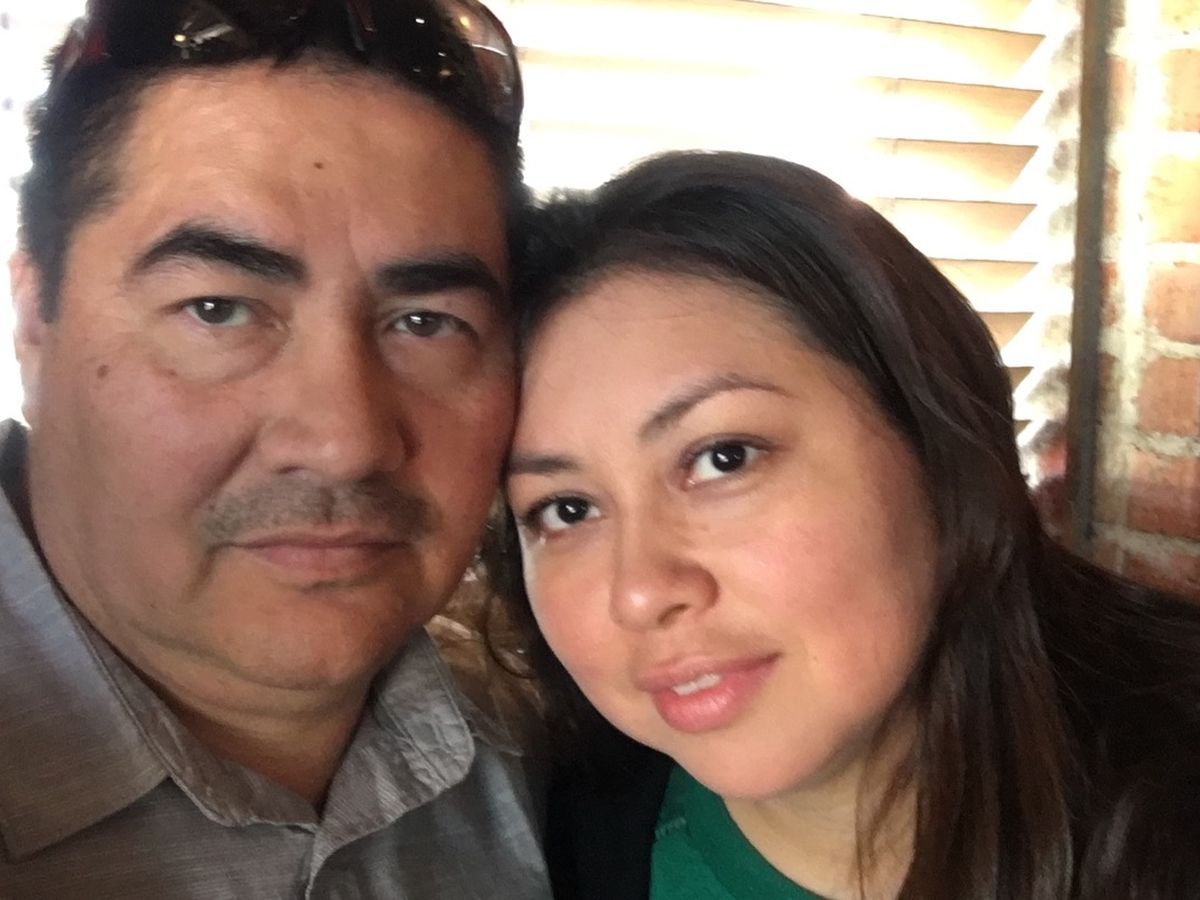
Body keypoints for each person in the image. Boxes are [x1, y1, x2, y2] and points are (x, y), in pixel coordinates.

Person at [498, 150, 1200, 899]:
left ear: (936, 449)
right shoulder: (554, 840)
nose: (640, 592)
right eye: (566, 509)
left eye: (724, 458)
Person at [1, 1, 551, 897]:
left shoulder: (583, 766)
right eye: (218, 310)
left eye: (425, 322)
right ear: (35, 320)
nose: (344, 442)